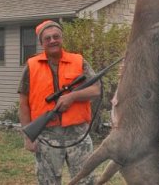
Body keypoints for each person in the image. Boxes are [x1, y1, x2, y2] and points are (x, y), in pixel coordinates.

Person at [18, 20, 101, 185]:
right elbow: (23, 103)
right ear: (41, 43)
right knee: (48, 182)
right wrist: (28, 137)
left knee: (86, 181)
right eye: (47, 38)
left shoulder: (79, 61)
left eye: (56, 36)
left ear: (62, 38)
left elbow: (96, 90)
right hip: (47, 137)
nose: (52, 40)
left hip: (78, 135)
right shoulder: (31, 65)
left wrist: (72, 96)